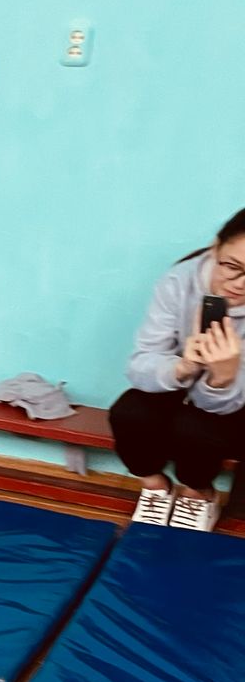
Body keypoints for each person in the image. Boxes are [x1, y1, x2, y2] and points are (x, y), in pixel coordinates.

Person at [111, 208, 245, 531]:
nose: (240, 285)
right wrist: (184, 367)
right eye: (232, 267)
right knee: (129, 412)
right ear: (215, 247)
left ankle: (198, 493)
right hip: (180, 378)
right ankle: (155, 486)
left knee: (196, 427)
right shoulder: (180, 280)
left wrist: (222, 377)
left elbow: (229, 402)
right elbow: (141, 363)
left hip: (236, 399)